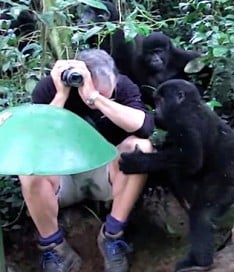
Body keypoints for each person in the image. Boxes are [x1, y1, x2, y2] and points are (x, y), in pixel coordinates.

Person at [20, 49, 155, 272]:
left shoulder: (123, 86)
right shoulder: (50, 88)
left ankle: (112, 235)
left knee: (141, 148)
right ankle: (55, 248)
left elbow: (144, 127)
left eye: (108, 92)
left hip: (105, 174)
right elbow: (37, 138)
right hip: (60, 176)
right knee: (28, 167)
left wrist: (96, 98)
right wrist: (61, 95)